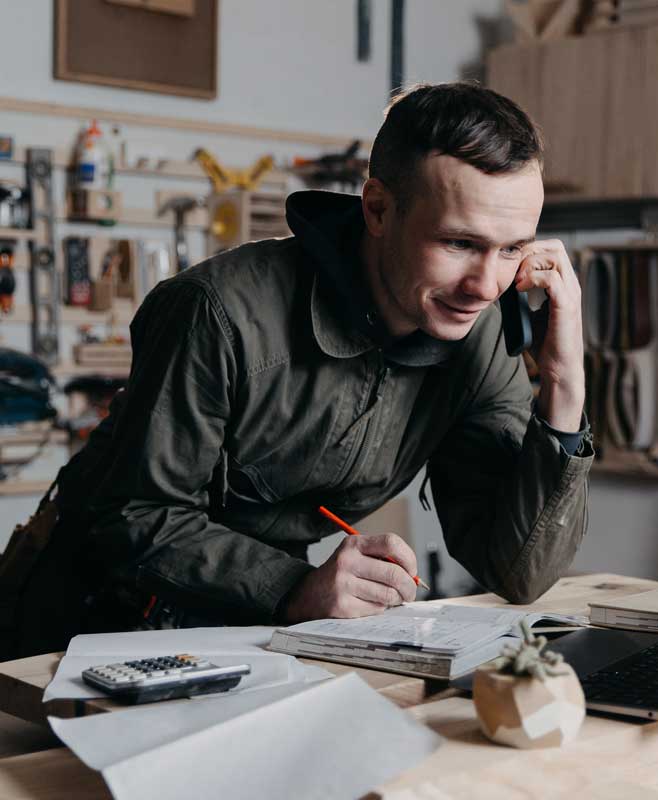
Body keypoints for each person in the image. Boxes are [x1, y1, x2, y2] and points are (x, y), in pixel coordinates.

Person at [11, 82, 593, 658]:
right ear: (379, 209)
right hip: (77, 626)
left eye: (514, 248)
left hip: (249, 628)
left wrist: (565, 386)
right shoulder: (214, 312)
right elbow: (135, 516)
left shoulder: (479, 334)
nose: (487, 285)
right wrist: (293, 587)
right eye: (460, 243)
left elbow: (518, 572)